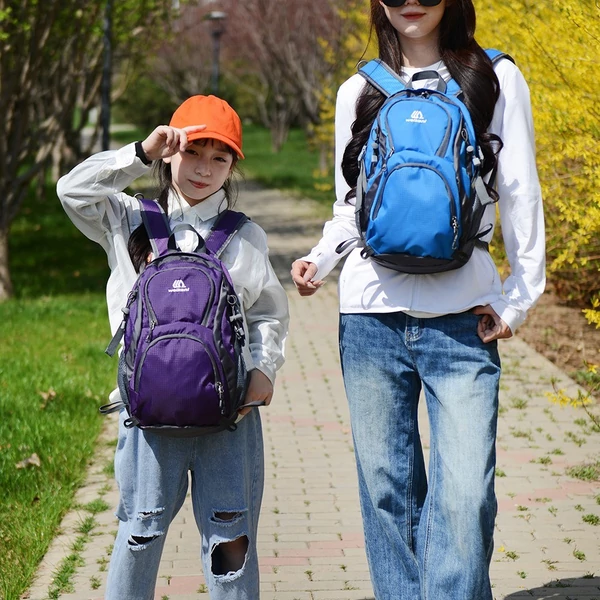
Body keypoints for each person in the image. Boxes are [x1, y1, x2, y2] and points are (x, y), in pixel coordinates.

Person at [291, 1, 545, 598]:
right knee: (387, 497)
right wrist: (320, 261)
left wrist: (518, 299)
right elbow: (352, 205)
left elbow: (520, 192)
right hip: (369, 319)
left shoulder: (494, 77)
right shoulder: (359, 88)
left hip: (463, 321)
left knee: (464, 500)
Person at [57, 95, 289, 600]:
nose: (204, 169)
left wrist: (265, 370)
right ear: (170, 153)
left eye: (219, 158)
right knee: (139, 532)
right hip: (145, 413)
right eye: (192, 152)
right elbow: (70, 190)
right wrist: (139, 152)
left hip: (229, 414)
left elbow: (267, 312)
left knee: (230, 541)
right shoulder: (128, 219)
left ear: (231, 168)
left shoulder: (245, 236)